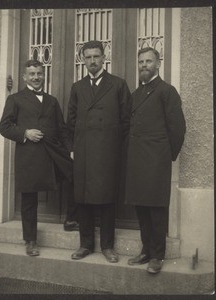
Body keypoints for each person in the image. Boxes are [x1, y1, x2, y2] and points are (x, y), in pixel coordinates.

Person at [0, 60, 78, 256]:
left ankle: (70, 220)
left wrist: (71, 150)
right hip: (30, 154)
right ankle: (31, 240)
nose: (36, 77)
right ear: (25, 77)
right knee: (29, 198)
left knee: (75, 176)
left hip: (54, 151)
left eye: (39, 74)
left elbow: (62, 129)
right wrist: (25, 133)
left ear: (44, 75)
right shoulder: (16, 99)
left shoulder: (52, 101)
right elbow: (4, 126)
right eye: (32, 74)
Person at [67, 40, 131, 263]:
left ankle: (107, 246)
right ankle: (85, 244)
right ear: (82, 60)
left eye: (96, 56)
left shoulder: (118, 85)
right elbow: (71, 122)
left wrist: (116, 148)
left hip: (107, 151)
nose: (92, 61)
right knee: (83, 197)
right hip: (83, 151)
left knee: (106, 198)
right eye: (88, 57)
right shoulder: (78, 87)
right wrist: (72, 149)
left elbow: (126, 122)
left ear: (104, 57)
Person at [124, 47, 186, 274]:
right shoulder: (136, 94)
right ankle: (146, 250)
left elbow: (178, 129)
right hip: (137, 159)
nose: (143, 65)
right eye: (141, 61)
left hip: (156, 160)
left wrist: (165, 155)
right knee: (141, 206)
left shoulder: (167, 91)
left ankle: (158, 255)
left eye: (148, 61)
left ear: (158, 64)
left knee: (156, 208)